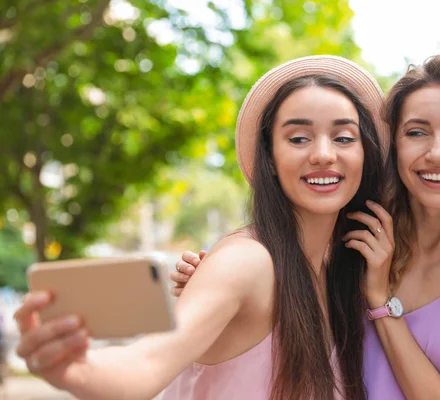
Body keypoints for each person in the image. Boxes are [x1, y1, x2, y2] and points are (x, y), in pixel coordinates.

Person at [172, 54, 440, 399]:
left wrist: (380, 304)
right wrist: (215, 287)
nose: (437, 153)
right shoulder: (351, 237)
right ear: (389, 144)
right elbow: (268, 304)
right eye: (416, 132)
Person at [12, 55, 390, 400]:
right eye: (298, 138)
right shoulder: (247, 262)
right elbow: (148, 361)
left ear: (364, 154)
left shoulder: (343, 273)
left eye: (343, 137)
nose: (323, 154)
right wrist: (77, 370)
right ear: (270, 158)